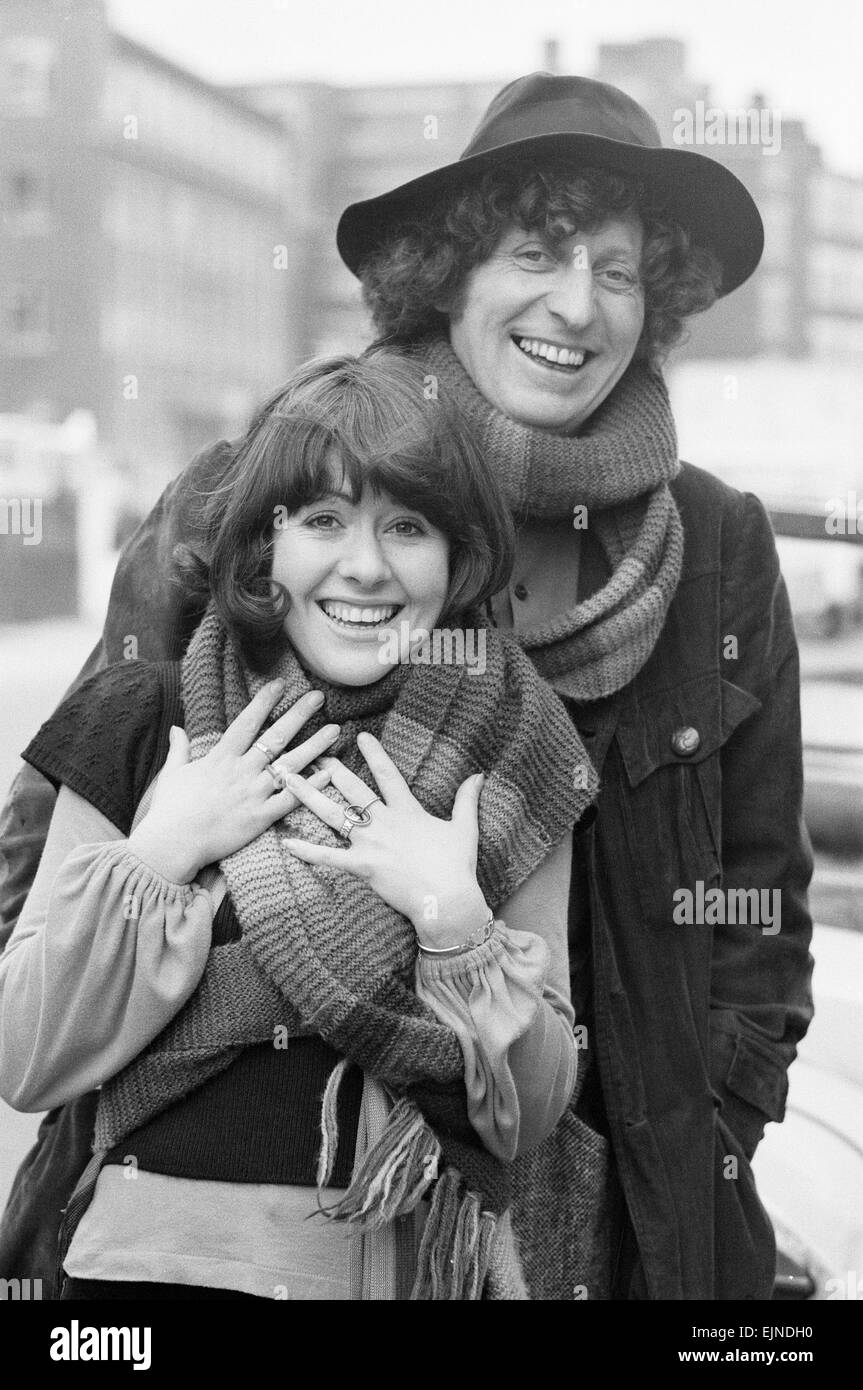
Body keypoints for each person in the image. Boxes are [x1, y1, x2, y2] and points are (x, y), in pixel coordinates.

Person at [0, 72, 814, 1300]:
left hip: (615, 1203)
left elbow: (755, 905)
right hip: (217, 1216)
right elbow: (45, 860)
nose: (576, 305)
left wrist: (709, 1137)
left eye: (618, 268)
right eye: (536, 251)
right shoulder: (248, 488)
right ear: (449, 274)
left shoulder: (715, 544)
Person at [0, 350, 598, 1301]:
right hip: (146, 1288)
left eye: (407, 526)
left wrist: (455, 926)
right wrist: (161, 852)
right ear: (260, 550)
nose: (365, 566)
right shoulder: (141, 717)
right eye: (323, 520)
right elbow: (24, 1052)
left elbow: (527, 1115)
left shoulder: (513, 748)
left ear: (459, 556)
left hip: (400, 1273)